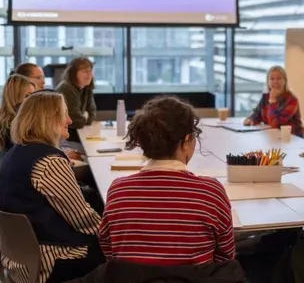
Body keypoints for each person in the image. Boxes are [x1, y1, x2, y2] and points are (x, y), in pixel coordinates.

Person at [99, 96, 236, 266]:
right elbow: (226, 257)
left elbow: (109, 249)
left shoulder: (118, 191)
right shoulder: (210, 192)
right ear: (186, 141)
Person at [0, 91, 104, 283]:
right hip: (49, 259)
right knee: (122, 261)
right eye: (64, 114)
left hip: (18, 258)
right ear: (48, 120)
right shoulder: (49, 162)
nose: (69, 120)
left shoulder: (15, 153)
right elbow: (82, 220)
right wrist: (115, 233)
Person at [0, 74, 36, 263]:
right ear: (15, 98)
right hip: (18, 198)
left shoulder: (8, 122)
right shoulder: (14, 127)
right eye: (27, 96)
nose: (31, 101)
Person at [243, 65, 303, 136]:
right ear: (268, 82)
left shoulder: (292, 100)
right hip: (272, 135)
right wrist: (251, 119)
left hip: (291, 138)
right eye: (272, 79)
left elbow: (275, 124)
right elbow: (257, 114)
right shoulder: (265, 96)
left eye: (279, 78)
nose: (275, 81)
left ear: (285, 81)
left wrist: (272, 101)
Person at [56, 57, 96, 143]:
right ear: (73, 73)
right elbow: (76, 121)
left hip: (77, 134)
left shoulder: (86, 88)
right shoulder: (66, 88)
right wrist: (85, 115)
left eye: (90, 71)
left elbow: (92, 113)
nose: (89, 75)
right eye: (84, 71)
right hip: (65, 138)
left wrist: (84, 117)